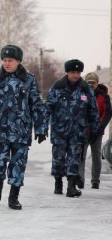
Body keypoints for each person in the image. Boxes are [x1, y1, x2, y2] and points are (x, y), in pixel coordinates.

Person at [0, 45, 48, 210]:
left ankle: (14, 196)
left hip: (21, 132)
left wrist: (41, 128)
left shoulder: (29, 80)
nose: (7, 63)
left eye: (11, 60)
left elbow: (37, 106)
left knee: (18, 164)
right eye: (5, 60)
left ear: (18, 62)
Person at [46, 59, 100, 198]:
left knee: (74, 158)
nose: (76, 75)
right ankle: (58, 183)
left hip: (78, 131)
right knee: (58, 158)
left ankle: (71, 186)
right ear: (67, 72)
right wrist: (43, 127)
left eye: (78, 72)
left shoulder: (85, 89)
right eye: (73, 72)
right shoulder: (57, 87)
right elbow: (48, 108)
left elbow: (93, 110)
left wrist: (95, 129)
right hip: (59, 130)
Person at [78, 72, 111, 189]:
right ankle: (80, 179)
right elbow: (79, 110)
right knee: (81, 155)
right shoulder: (81, 94)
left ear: (97, 83)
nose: (91, 85)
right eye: (89, 82)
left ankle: (95, 180)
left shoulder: (104, 96)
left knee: (96, 156)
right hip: (83, 130)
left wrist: (98, 128)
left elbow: (107, 113)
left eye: (93, 82)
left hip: (97, 131)